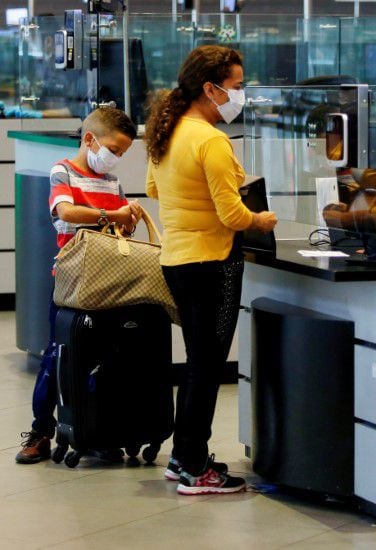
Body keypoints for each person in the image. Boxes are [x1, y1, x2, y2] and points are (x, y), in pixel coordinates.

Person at [144, 45, 277, 495]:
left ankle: (183, 456)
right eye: (236, 86)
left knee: (197, 363)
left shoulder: (168, 131)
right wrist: (262, 220)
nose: (240, 94)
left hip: (177, 259)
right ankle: (194, 467)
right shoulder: (211, 140)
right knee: (206, 367)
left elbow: (153, 189)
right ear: (210, 88)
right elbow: (233, 215)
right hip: (213, 264)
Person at [16, 107, 143, 464]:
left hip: (107, 282)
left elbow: (121, 229)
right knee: (58, 354)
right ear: (90, 139)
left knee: (103, 357)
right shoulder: (63, 171)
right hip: (71, 282)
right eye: (113, 150)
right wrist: (111, 215)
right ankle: (41, 430)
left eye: (122, 153)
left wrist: (128, 219)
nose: (115, 158)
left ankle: (95, 430)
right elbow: (66, 213)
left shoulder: (112, 182)